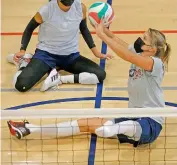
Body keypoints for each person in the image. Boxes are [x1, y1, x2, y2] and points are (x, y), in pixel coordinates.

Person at [7, 25, 171, 147]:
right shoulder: (141, 53)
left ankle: (113, 129)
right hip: (132, 116)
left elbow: (127, 55)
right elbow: (119, 42)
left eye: (144, 38)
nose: (139, 39)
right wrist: (103, 28)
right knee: (87, 123)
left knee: (109, 129)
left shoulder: (155, 64)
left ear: (152, 49)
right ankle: (31, 129)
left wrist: (102, 37)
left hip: (150, 122)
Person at [7, 0, 113, 92]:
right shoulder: (46, 10)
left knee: (100, 74)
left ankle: (60, 79)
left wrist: (96, 52)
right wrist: (22, 50)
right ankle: (25, 63)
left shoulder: (80, 7)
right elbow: (29, 29)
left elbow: (84, 29)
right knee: (21, 85)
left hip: (71, 56)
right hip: (46, 55)